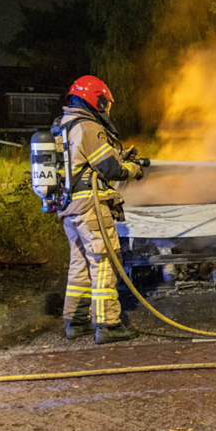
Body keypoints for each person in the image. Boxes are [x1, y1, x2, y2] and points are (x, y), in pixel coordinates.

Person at [58, 76, 144, 344]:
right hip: (91, 207)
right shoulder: (88, 126)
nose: (107, 108)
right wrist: (134, 169)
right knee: (104, 261)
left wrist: (120, 155)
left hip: (71, 208)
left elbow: (88, 163)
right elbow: (109, 169)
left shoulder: (65, 126)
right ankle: (108, 325)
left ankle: (76, 321)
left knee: (80, 264)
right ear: (97, 100)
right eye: (105, 103)